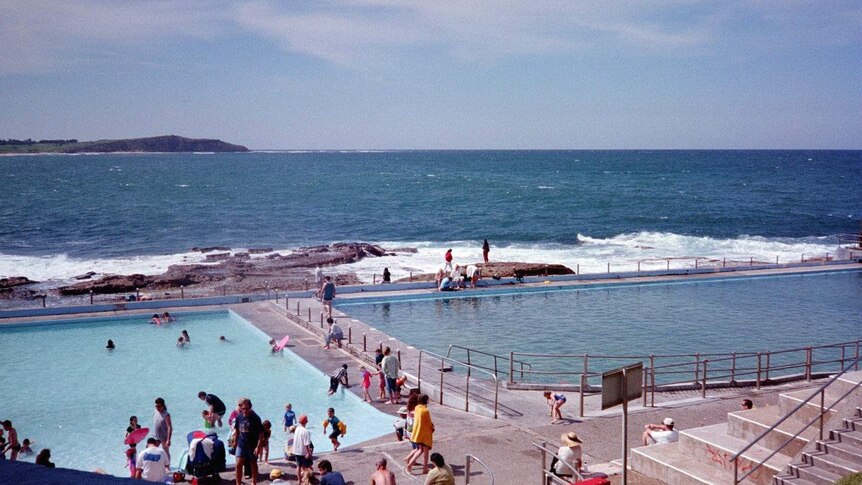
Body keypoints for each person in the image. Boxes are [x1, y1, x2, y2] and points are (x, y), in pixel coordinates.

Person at [233, 397, 265, 485]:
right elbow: (237, 430)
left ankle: (254, 481)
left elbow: (261, 433)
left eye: (247, 409)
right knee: (238, 464)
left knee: (253, 464)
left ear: (250, 408)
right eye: (243, 409)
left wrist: (258, 447)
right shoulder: (239, 417)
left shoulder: (255, 418)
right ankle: (238, 483)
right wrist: (235, 442)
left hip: (252, 445)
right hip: (241, 444)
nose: (245, 410)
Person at [406, 394, 434, 474]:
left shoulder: (417, 408)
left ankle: (410, 463)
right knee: (426, 452)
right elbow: (429, 422)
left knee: (419, 450)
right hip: (424, 434)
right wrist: (432, 427)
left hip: (417, 433)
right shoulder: (425, 410)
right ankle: (424, 468)